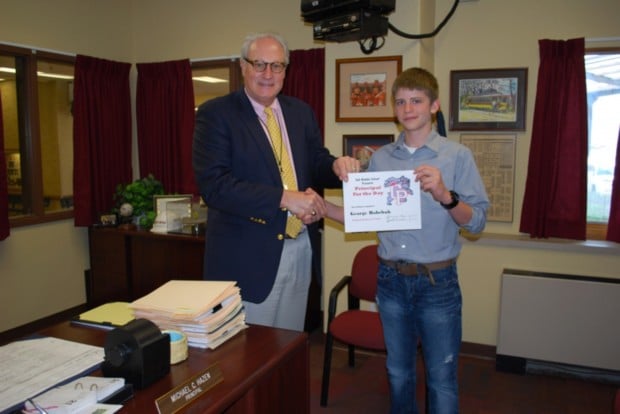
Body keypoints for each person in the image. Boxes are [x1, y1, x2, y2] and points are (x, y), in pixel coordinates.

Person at [326, 67, 489, 413]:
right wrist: (322, 205)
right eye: (401, 101)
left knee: (441, 377)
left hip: (438, 282)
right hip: (391, 281)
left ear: (434, 106)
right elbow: (362, 214)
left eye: (416, 100)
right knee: (398, 373)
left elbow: (477, 223)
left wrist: (446, 195)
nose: (408, 108)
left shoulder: (457, 156)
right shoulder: (380, 158)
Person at [192, 32, 359, 332]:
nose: (268, 74)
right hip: (248, 258)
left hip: (299, 247)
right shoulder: (217, 114)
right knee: (248, 359)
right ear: (243, 66)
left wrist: (335, 165)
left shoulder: (300, 112)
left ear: (286, 70)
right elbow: (215, 186)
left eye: (277, 66)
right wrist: (285, 199)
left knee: (288, 350)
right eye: (259, 64)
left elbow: (315, 162)